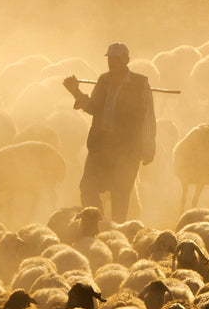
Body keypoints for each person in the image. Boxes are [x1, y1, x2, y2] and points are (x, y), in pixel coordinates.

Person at [63, 42, 156, 223]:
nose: (112, 63)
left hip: (127, 151)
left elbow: (149, 117)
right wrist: (76, 92)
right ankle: (98, 224)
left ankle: (116, 235)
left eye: (117, 59)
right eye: (110, 59)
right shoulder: (103, 81)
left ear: (126, 60)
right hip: (100, 147)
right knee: (87, 188)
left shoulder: (140, 84)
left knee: (120, 196)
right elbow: (93, 108)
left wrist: (149, 148)